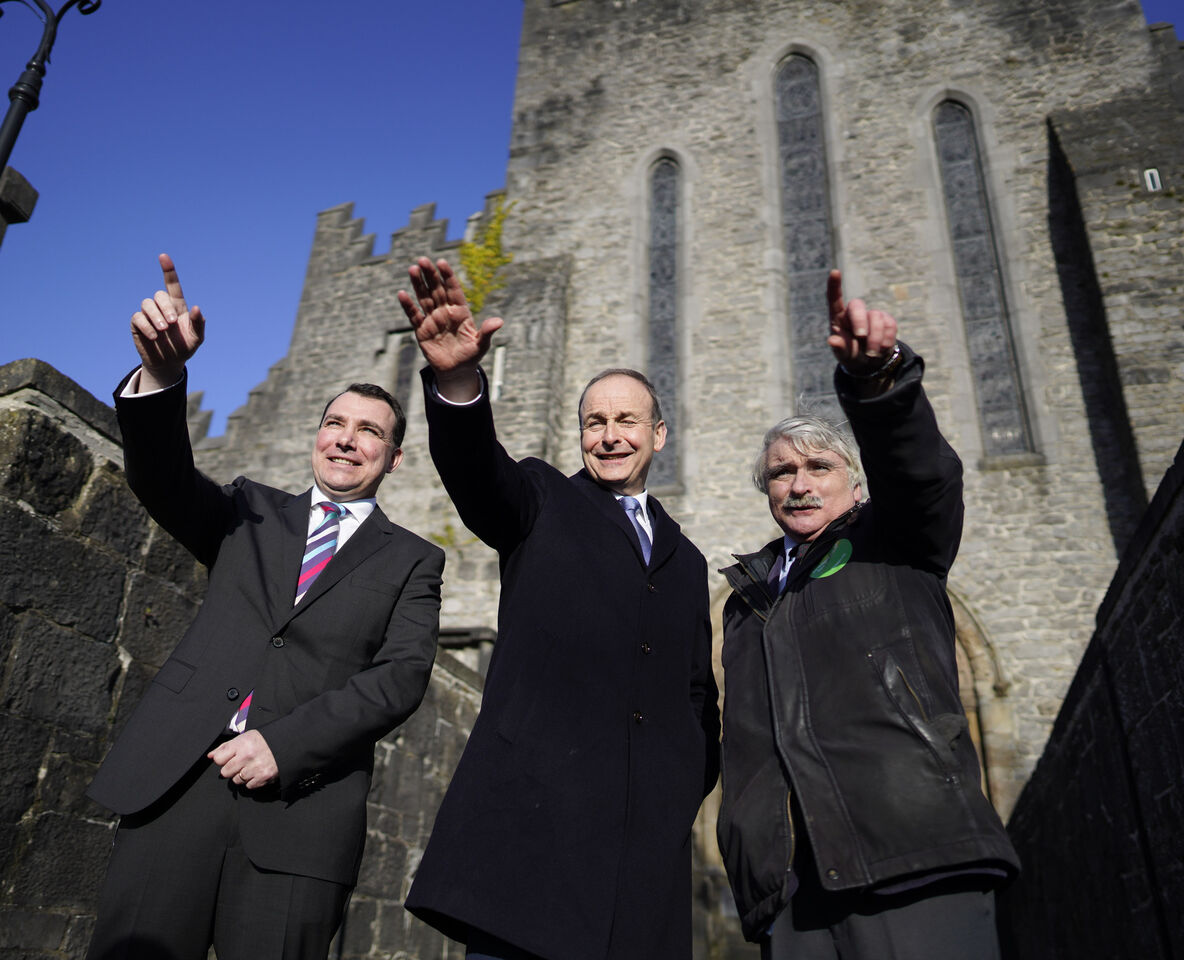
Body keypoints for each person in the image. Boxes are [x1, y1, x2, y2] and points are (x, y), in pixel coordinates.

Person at [85, 254, 445, 960]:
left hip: (300, 817)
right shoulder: (247, 509)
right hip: (177, 787)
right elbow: (160, 478)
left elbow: (401, 677)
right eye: (335, 422)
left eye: (369, 430)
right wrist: (162, 377)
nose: (346, 438)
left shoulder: (413, 560)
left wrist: (284, 744)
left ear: (394, 458)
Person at [395, 257, 720, 960]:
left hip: (641, 860)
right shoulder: (542, 498)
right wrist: (457, 382)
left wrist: (676, 784)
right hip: (531, 839)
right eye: (594, 422)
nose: (609, 435)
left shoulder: (688, 561)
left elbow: (697, 693)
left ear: (658, 435)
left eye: (627, 421)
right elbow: (477, 475)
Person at [717, 270, 1019, 960]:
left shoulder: (895, 541)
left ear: (854, 480)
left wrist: (879, 388)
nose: (797, 484)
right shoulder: (746, 604)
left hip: (916, 855)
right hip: (792, 894)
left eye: (818, 466)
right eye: (779, 473)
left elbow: (921, 475)